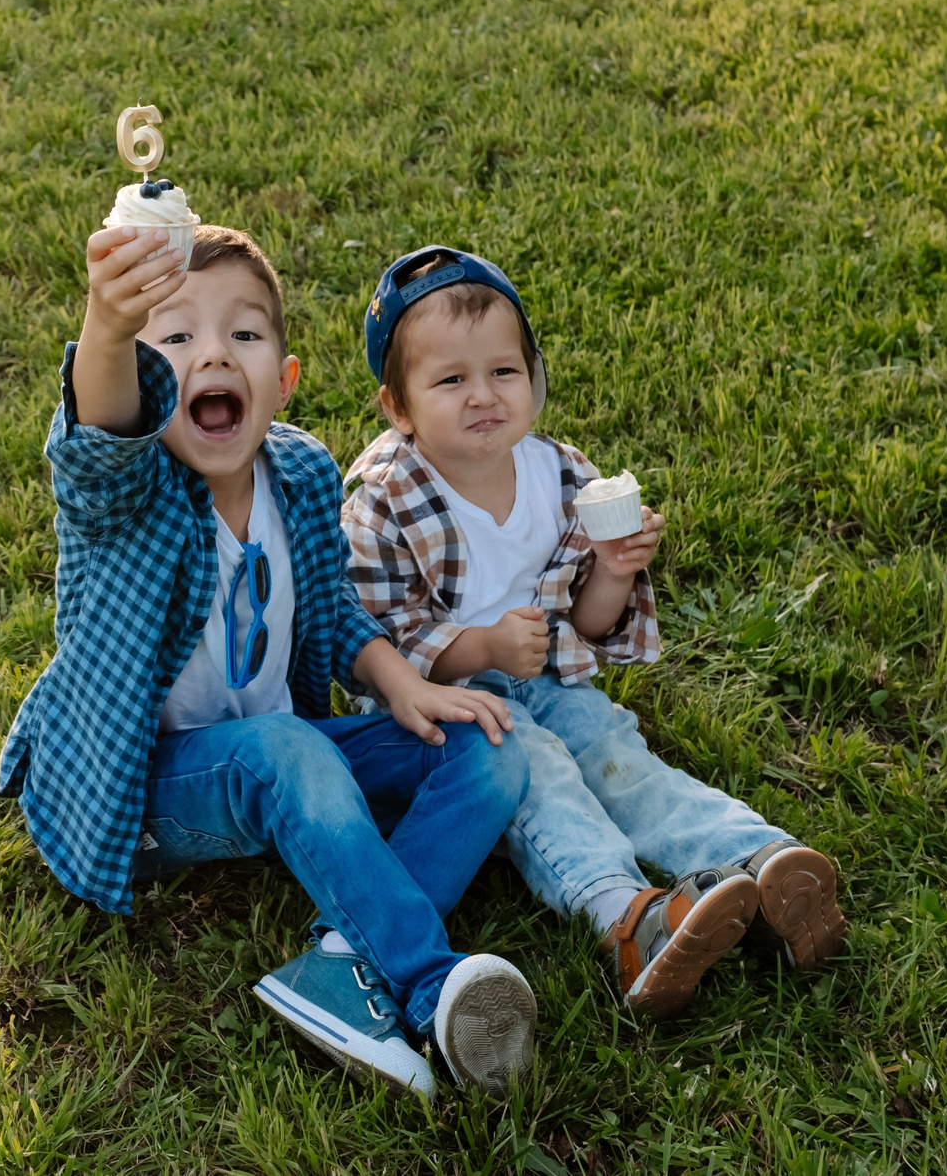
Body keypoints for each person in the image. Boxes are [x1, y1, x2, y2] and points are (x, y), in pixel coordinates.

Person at [0, 222, 537, 1100]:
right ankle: (428, 980)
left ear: (281, 381)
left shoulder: (305, 474)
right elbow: (95, 438)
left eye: (243, 334)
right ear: (141, 381)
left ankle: (334, 965)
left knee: (489, 744)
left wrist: (403, 682)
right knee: (288, 746)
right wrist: (105, 322)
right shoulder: (129, 495)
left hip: (287, 757)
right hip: (150, 791)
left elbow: (331, 609)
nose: (212, 354)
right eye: (174, 339)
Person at [343, 247, 849, 1017]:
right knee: (543, 779)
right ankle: (628, 917)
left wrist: (613, 568)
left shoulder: (562, 475)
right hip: (458, 708)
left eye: (503, 372)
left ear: (533, 376)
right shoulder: (383, 499)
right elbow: (380, 637)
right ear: (399, 406)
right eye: (450, 380)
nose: (483, 395)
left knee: (620, 759)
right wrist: (481, 650)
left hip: (555, 677)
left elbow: (588, 623)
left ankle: (762, 858)